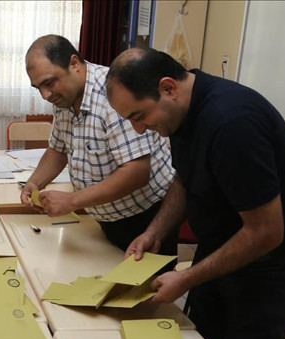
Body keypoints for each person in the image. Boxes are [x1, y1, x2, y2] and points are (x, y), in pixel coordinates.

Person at [106, 47, 285, 339]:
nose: (138, 128)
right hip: (225, 248)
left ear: (169, 87)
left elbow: (266, 232)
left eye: (139, 115)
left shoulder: (232, 123)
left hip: (271, 268)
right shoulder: (181, 113)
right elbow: (185, 180)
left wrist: (186, 278)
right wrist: (154, 231)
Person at [21, 35, 177, 254]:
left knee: (150, 285)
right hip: (108, 216)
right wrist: (34, 183)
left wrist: (72, 201)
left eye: (49, 83)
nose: (45, 95)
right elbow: (58, 149)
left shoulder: (113, 93)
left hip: (146, 217)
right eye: (38, 87)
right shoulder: (64, 95)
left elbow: (136, 172)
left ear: (74, 64)